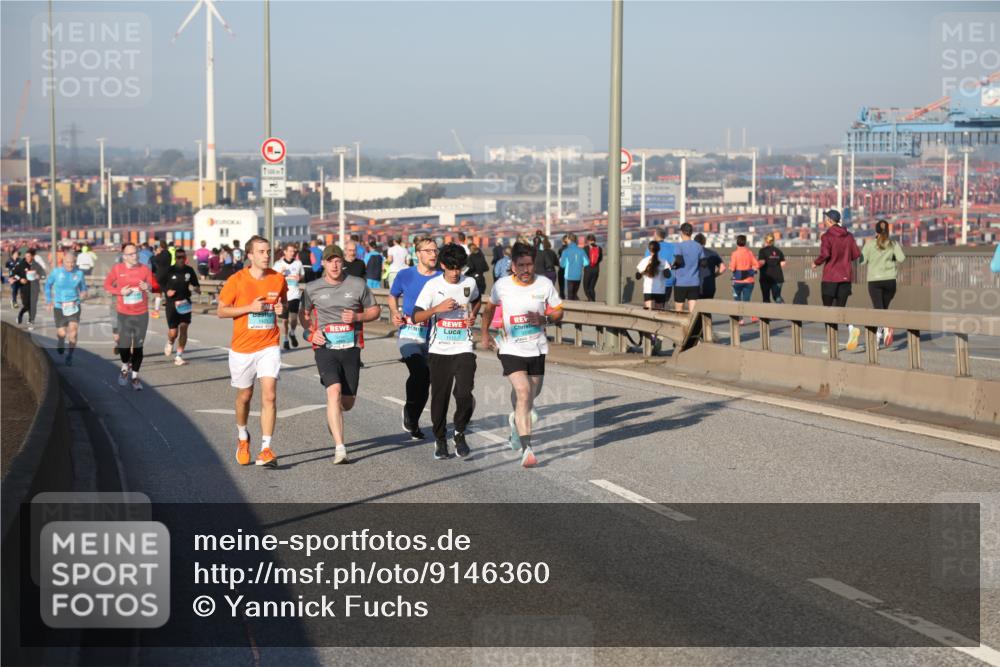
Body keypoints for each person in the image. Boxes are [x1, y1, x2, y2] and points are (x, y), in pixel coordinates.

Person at [480, 242, 563, 468]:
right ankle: (527, 449)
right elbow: (489, 309)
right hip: (509, 347)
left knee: (530, 396)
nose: (526, 270)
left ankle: (515, 421)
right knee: (523, 391)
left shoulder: (544, 284)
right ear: (513, 266)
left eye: (530, 265)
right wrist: (485, 334)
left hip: (536, 348)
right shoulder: (502, 285)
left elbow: (559, 311)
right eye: (521, 265)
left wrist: (544, 319)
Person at [299, 244, 381, 465]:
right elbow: (303, 314)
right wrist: (309, 333)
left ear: (342, 262)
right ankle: (340, 448)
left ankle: (334, 415)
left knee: (347, 402)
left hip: (351, 349)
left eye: (338, 261)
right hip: (325, 348)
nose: (335, 265)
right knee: (333, 392)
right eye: (330, 261)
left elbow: (375, 311)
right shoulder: (313, 287)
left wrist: (356, 318)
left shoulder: (357, 284)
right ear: (323, 263)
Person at [217, 235, 288, 468]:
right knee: (244, 396)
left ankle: (266, 448)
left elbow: (284, 305)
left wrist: (281, 308)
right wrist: (250, 308)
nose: (266, 255)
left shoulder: (278, 279)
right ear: (249, 255)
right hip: (242, 348)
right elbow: (221, 311)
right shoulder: (236, 280)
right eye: (261, 252)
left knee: (269, 394)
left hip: (269, 344)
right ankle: (243, 436)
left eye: (268, 251)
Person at [412, 244, 480, 459]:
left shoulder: (470, 282)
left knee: (464, 393)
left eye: (458, 268)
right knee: (440, 398)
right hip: (439, 350)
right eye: (451, 268)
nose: (455, 273)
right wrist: (436, 309)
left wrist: (473, 315)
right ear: (442, 265)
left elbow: (477, 300)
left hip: (464, 347)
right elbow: (416, 316)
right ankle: (440, 440)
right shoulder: (433, 286)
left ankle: (459, 432)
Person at [388, 237, 441, 441]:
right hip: (409, 333)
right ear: (418, 253)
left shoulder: (441, 277)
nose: (433, 254)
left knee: (426, 379)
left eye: (435, 250)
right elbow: (393, 296)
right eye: (428, 251)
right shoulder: (405, 275)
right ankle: (410, 410)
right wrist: (394, 312)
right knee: (419, 372)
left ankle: (413, 419)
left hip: (434, 336)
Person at [103, 243, 155, 390]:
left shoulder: (145, 269)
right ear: (124, 256)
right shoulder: (118, 269)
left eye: (136, 253)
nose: (135, 256)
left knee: (138, 347)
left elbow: (154, 286)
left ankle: (135, 377)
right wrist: (120, 291)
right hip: (124, 314)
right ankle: (125, 365)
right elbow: (107, 285)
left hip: (141, 314)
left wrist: (148, 287)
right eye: (131, 254)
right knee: (124, 346)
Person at [814, 209, 862, 350]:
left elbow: (825, 254)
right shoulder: (849, 236)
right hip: (845, 277)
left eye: (825, 218)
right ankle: (851, 328)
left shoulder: (826, 236)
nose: (824, 221)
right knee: (840, 309)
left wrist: (815, 263)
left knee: (829, 312)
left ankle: (830, 345)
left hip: (830, 278)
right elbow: (856, 254)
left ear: (829, 220)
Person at [860, 219, 906, 348]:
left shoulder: (869, 244)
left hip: (875, 282)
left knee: (878, 311)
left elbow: (862, 262)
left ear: (876, 231)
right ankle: (878, 338)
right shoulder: (893, 244)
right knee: (882, 310)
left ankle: (883, 330)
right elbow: (902, 258)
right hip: (890, 281)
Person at [44, 250, 87, 365]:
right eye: (68, 262)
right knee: (62, 333)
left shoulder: (79, 273)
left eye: (72, 262)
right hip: (59, 307)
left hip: (74, 306)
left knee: (73, 332)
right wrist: (49, 301)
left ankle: (70, 355)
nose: (70, 265)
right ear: (63, 262)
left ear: (75, 262)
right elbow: (47, 285)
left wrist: (83, 292)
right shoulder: (56, 272)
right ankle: (61, 341)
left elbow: (83, 287)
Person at [161, 249, 201, 365]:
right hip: (171, 304)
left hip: (185, 303)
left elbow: (195, 284)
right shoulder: (169, 270)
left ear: (185, 258)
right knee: (174, 333)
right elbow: (160, 283)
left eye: (182, 257)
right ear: (175, 258)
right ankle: (170, 341)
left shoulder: (189, 270)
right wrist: (166, 291)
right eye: (178, 257)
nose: (180, 259)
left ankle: (179, 356)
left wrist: (197, 289)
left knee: (184, 328)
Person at [272, 242, 305, 350]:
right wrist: (280, 275)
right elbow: (272, 278)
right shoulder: (278, 264)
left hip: (295, 294)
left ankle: (292, 332)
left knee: (294, 318)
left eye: (294, 251)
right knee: (285, 320)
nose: (292, 253)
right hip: (283, 295)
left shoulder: (298, 263)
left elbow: (303, 275)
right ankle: (286, 338)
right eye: (290, 251)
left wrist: (299, 277)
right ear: (285, 252)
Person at [671, 222, 705, 312]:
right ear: (691, 233)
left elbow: (679, 261)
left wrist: (673, 266)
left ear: (682, 232)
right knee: (693, 312)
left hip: (680, 283)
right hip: (694, 283)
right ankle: (693, 326)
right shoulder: (698, 246)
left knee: (679, 310)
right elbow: (704, 263)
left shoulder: (678, 246)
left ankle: (681, 326)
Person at [13, 249, 45, 330]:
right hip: (25, 288)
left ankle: (31, 321)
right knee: (26, 304)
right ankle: (20, 314)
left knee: (33, 305)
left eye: (29, 256)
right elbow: (14, 274)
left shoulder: (36, 265)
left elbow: (43, 274)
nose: (27, 258)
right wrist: (20, 279)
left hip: (35, 288)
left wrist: (40, 276)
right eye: (26, 256)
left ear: (32, 257)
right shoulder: (21, 264)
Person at [729, 235, 757, 323]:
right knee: (747, 300)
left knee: (736, 299)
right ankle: (753, 316)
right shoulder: (750, 253)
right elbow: (756, 265)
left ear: (737, 242)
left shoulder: (735, 254)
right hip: (749, 281)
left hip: (737, 281)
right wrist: (749, 270)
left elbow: (732, 268)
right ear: (745, 243)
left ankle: (740, 319)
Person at [644, 227, 677, 304]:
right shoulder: (672, 246)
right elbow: (675, 261)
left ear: (656, 235)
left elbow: (647, 262)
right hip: (668, 280)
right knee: (663, 304)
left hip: (655, 281)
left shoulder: (651, 247)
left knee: (652, 305)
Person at [635, 240, 670, 310]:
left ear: (649, 249)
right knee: (659, 313)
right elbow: (668, 276)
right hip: (660, 291)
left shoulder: (644, 261)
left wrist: (644, 272)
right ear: (659, 249)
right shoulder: (663, 261)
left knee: (648, 313)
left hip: (648, 290)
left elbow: (637, 277)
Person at [757, 234, 786, 303]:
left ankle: (767, 313)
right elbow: (783, 264)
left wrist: (755, 267)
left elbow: (762, 262)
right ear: (773, 241)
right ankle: (783, 311)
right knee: (777, 297)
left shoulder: (762, 251)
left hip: (766, 277)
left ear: (766, 241)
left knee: (766, 298)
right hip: (778, 277)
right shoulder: (778, 251)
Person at [694, 233, 725, 298]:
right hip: (710, 286)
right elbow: (722, 268)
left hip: (695, 286)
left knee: (695, 306)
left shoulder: (692, 254)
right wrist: (714, 275)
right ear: (704, 242)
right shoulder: (713, 253)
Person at [559, 233, 589, 301]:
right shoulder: (581, 250)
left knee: (569, 297)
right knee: (574, 295)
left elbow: (562, 265)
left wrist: (561, 260)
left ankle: (569, 311)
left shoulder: (565, 251)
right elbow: (587, 263)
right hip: (578, 275)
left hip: (568, 276)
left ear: (569, 240)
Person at [583, 234, 603, 302]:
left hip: (588, 270)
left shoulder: (585, 248)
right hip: (596, 270)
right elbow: (600, 259)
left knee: (586, 287)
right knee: (592, 287)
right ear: (594, 240)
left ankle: (590, 299)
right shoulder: (599, 248)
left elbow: (583, 259)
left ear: (588, 240)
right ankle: (593, 300)